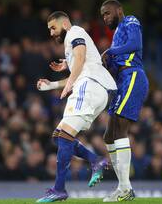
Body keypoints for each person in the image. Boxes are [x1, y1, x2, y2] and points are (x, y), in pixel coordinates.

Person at [36, 11, 117, 202]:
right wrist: (53, 84)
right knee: (59, 137)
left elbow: (80, 60)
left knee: (64, 135)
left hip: (89, 87)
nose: (51, 33)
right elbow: (79, 64)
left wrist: (71, 80)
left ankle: (59, 189)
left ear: (64, 24)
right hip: (93, 88)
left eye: (53, 28)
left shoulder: (75, 32)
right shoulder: (70, 45)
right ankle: (95, 160)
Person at [100, 0, 149, 202]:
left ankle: (126, 188)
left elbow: (135, 44)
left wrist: (111, 52)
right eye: (102, 15)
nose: (105, 18)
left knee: (120, 129)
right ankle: (122, 187)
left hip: (133, 76)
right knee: (108, 137)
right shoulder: (115, 37)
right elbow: (114, 64)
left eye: (107, 13)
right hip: (122, 81)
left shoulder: (130, 21)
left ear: (118, 10)